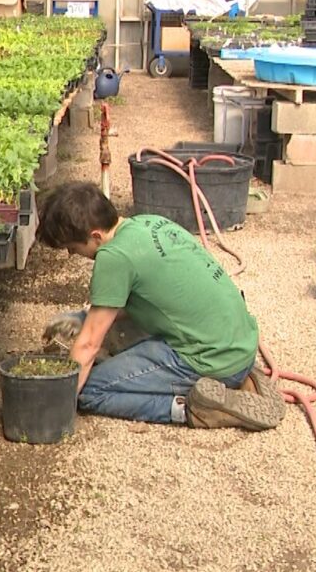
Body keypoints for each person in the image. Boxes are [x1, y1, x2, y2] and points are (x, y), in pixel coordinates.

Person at [36, 181, 282, 430]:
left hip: (209, 358)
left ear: (96, 236)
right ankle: (239, 378)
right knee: (116, 346)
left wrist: (57, 402)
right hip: (238, 344)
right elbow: (148, 299)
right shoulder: (150, 223)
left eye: (73, 248)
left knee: (89, 391)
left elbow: (89, 344)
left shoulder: (114, 257)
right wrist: (83, 318)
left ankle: (195, 409)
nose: (71, 254)